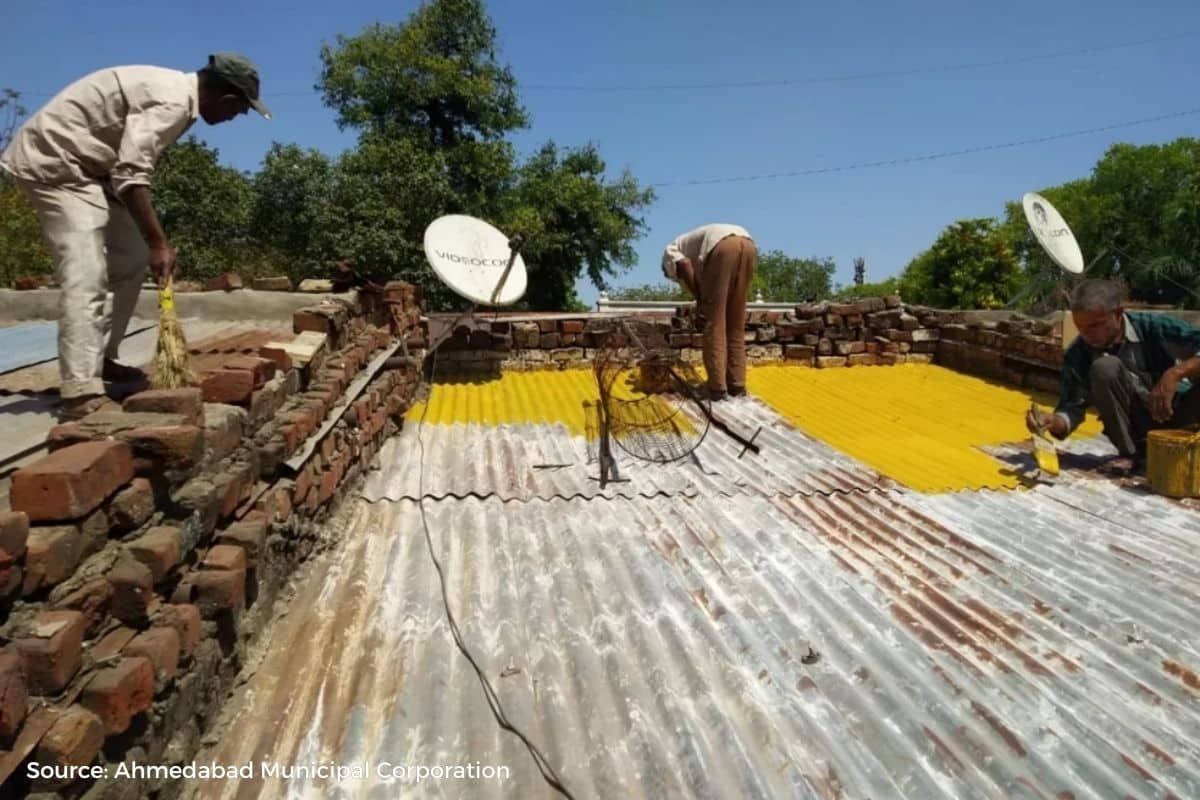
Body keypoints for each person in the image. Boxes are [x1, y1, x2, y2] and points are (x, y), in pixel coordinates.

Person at [0, 53, 270, 418]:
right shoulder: (173, 101)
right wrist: (160, 242)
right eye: (240, 109)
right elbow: (131, 174)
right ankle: (80, 390)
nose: (236, 117)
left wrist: (151, 246)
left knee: (130, 258)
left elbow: (125, 170)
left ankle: (103, 357)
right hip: (55, 164)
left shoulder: (180, 99)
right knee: (87, 272)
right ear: (226, 98)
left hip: (94, 173)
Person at [1026, 278, 1200, 471]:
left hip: (1181, 417)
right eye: (1080, 327)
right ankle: (1131, 454)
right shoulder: (1079, 353)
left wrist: (1175, 373)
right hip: (1140, 430)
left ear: (1118, 313)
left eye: (1095, 325)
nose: (1086, 335)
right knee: (1104, 368)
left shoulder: (1153, 327)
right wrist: (1053, 422)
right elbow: (1071, 408)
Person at [661, 223, 757, 400]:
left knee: (715, 323)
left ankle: (717, 389)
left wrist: (701, 300)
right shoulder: (688, 243)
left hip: (721, 246)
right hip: (748, 244)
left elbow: (684, 264)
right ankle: (737, 385)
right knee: (735, 323)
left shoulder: (669, 252)